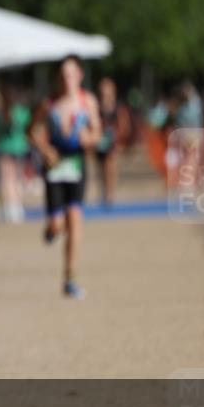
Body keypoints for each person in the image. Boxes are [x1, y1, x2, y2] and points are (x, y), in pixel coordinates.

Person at [30, 56, 101, 300]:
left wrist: (88, 139)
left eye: (71, 74)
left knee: (74, 219)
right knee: (57, 224)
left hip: (77, 164)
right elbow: (34, 131)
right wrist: (45, 149)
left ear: (79, 76)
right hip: (55, 167)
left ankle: (70, 278)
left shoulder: (87, 101)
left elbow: (97, 132)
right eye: (62, 74)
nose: (67, 79)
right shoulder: (48, 104)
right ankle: (50, 229)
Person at [0, 82, 32, 222]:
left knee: (8, 179)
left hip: (8, 149)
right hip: (17, 148)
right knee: (15, 179)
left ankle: (11, 206)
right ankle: (15, 206)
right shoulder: (21, 112)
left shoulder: (2, 114)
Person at [94, 77, 132, 207]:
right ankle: (104, 190)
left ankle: (111, 192)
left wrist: (121, 140)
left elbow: (124, 124)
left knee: (110, 165)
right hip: (100, 141)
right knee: (101, 167)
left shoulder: (117, 107)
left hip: (113, 141)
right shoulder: (97, 106)